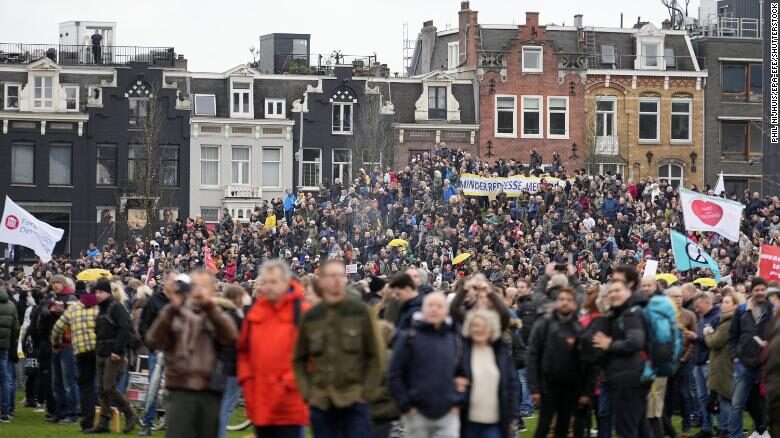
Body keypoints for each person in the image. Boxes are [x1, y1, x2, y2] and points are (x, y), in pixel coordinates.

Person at [293, 259, 383, 438]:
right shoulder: (311, 317)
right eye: (331, 275)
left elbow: (376, 355)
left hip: (354, 401)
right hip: (321, 402)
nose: (336, 280)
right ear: (322, 281)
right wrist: (307, 393)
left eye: (340, 275)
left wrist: (366, 392)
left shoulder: (361, 312)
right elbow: (299, 359)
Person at [146, 271, 239, 438]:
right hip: (181, 389)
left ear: (212, 290)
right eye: (194, 286)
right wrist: (172, 309)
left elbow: (232, 338)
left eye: (204, 287)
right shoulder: (174, 313)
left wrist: (209, 306)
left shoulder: (217, 315)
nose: (197, 291)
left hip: (210, 389)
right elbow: (152, 341)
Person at [238, 260, 310, 438]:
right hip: (260, 402)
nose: (268, 287)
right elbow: (244, 352)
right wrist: (247, 381)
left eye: (274, 282)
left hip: (288, 405)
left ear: (286, 282)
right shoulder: (256, 312)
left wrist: (286, 383)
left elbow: (313, 355)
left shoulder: (302, 311)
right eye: (265, 282)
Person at [389, 292, 462, 438]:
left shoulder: (454, 340)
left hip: (448, 412)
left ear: (446, 310)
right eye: (430, 306)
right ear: (423, 309)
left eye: (439, 306)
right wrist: (406, 405)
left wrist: (458, 401)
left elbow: (464, 373)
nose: (434, 309)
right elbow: (395, 373)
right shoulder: (409, 337)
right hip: (416, 413)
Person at [527, 287, 588, 438]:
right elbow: (533, 355)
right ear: (555, 302)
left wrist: (585, 391)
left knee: (564, 425)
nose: (565, 303)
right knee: (544, 426)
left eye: (569, 300)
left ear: (575, 304)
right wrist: (534, 388)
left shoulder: (579, 328)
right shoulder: (543, 325)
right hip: (547, 386)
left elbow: (586, 362)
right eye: (561, 299)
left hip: (571, 389)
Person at [594, 279, 649, 438]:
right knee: (639, 427)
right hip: (621, 378)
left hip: (629, 379)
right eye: (611, 291)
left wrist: (610, 344)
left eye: (618, 290)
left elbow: (635, 341)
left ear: (628, 292)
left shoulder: (630, 314)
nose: (613, 294)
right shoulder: (616, 315)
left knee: (626, 429)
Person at [87, 278, 138, 434]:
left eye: (101, 292)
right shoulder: (101, 309)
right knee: (102, 389)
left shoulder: (116, 307)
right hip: (101, 352)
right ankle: (104, 421)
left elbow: (125, 329)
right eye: (96, 292)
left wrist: (117, 350)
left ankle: (130, 414)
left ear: (108, 292)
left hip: (113, 354)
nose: (98, 295)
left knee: (109, 387)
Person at [459, 308, 519, 438]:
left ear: (492, 329)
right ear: (468, 328)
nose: (479, 329)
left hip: (495, 422)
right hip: (467, 422)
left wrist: (512, 416)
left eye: (484, 326)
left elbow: (512, 385)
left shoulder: (501, 353)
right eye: (475, 325)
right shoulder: (461, 353)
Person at [50, 284, 98, 432]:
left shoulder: (74, 308)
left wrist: (55, 343)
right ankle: (83, 416)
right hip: (96, 349)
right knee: (88, 385)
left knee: (76, 384)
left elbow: (58, 327)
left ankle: (78, 416)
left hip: (76, 348)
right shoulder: (100, 309)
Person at [728, 277, 772, 438]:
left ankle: (762, 431)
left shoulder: (773, 310)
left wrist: (771, 344)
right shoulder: (741, 311)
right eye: (757, 290)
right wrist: (734, 356)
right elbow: (733, 335)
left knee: (763, 403)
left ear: (766, 291)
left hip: (764, 365)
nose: (760, 293)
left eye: (762, 290)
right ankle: (735, 435)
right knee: (737, 404)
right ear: (751, 291)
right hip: (743, 365)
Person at [137, 270, 175, 436]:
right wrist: (151, 345)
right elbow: (143, 326)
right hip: (157, 352)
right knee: (152, 387)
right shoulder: (154, 300)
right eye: (172, 281)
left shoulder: (181, 301)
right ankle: (147, 423)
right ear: (165, 282)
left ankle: (175, 423)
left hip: (176, 353)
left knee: (177, 389)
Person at [704, 292, 740, 438]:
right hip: (722, 364)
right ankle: (726, 429)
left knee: (726, 399)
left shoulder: (728, 322)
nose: (723, 305)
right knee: (724, 399)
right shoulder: (725, 320)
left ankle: (730, 430)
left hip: (724, 365)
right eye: (723, 302)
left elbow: (715, 342)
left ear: (735, 305)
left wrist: (708, 334)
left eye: (727, 302)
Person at [688, 292, 721, 438]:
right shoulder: (702, 317)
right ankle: (707, 428)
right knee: (702, 397)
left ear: (706, 302)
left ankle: (722, 428)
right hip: (698, 361)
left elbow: (715, 340)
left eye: (698, 305)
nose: (696, 309)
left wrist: (697, 337)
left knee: (713, 397)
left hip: (710, 362)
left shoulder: (717, 317)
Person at [0, 286, 20, 423]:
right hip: (5, 346)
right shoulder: (11, 305)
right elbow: (16, 328)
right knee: (5, 379)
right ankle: (6, 412)